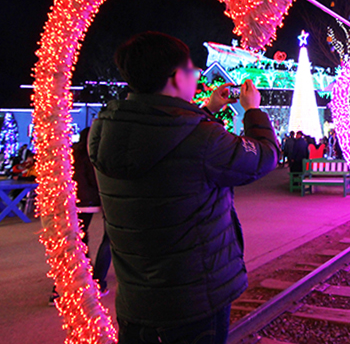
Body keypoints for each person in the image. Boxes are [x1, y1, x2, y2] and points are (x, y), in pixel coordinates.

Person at [89, 32, 279, 344]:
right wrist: (253, 111)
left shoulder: (106, 128)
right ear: (176, 77)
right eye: (193, 70)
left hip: (136, 298)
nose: (198, 75)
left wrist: (207, 108)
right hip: (194, 299)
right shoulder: (202, 140)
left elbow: (167, 139)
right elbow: (264, 157)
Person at [50, 127, 112, 306]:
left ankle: (81, 276)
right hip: (98, 200)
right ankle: (98, 280)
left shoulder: (73, 155)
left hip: (76, 202)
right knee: (109, 240)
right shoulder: (95, 155)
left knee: (79, 239)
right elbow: (96, 180)